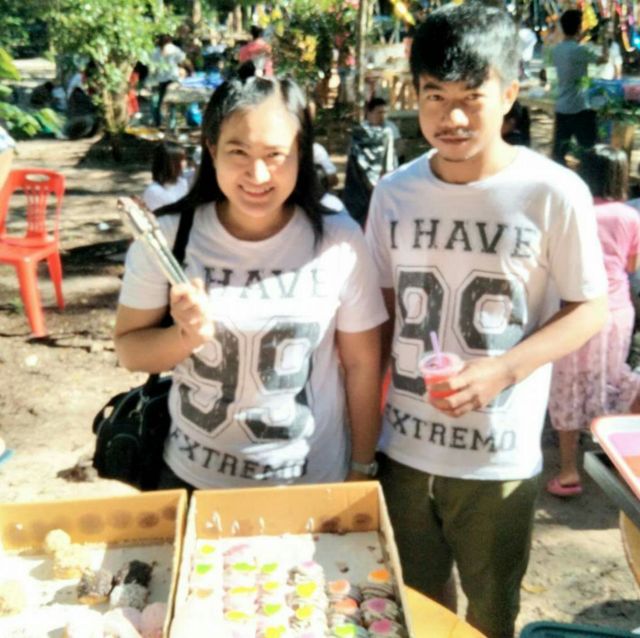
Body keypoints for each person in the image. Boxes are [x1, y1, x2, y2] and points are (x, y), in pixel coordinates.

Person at [364, 5, 608, 637]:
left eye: (471, 98)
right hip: (403, 448)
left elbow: (591, 307)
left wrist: (503, 370)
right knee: (414, 606)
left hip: (497, 457)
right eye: (434, 97)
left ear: (509, 94)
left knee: (491, 611)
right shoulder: (393, 193)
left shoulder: (552, 192)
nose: (452, 118)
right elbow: (381, 316)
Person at [114, 76, 387, 490]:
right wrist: (184, 337)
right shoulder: (169, 238)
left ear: (301, 153)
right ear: (212, 149)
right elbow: (131, 350)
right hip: (190, 481)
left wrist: (362, 467)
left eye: (275, 154)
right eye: (238, 151)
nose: (257, 174)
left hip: (310, 484)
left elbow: (361, 364)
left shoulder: (339, 239)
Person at [547, 145, 640, 496]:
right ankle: (623, 457)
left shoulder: (571, 210)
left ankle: (569, 471)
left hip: (572, 310)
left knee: (568, 384)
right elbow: (631, 266)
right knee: (614, 379)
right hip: (616, 311)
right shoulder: (630, 216)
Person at [551, 9, 607, 165]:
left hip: (562, 107)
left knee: (559, 155)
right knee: (591, 154)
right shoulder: (579, 50)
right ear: (579, 28)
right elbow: (603, 59)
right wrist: (605, 39)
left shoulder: (557, 50)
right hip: (579, 108)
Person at [343, 97, 398, 227]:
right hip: (359, 181)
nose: (382, 116)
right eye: (379, 112)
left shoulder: (388, 131)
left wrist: (386, 175)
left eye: (385, 113)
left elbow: (389, 157)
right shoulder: (358, 132)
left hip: (380, 179)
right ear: (369, 113)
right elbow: (352, 157)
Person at [149, 34, 186, 127]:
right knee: (168, 102)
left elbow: (152, 67)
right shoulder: (171, 49)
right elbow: (182, 61)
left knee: (163, 102)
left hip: (166, 79)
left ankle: (163, 123)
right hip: (168, 79)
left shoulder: (158, 51)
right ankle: (167, 123)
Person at [142, 142, 190, 212]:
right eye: (181, 160)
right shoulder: (154, 191)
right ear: (169, 163)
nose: (185, 163)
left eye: (185, 159)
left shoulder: (183, 182)